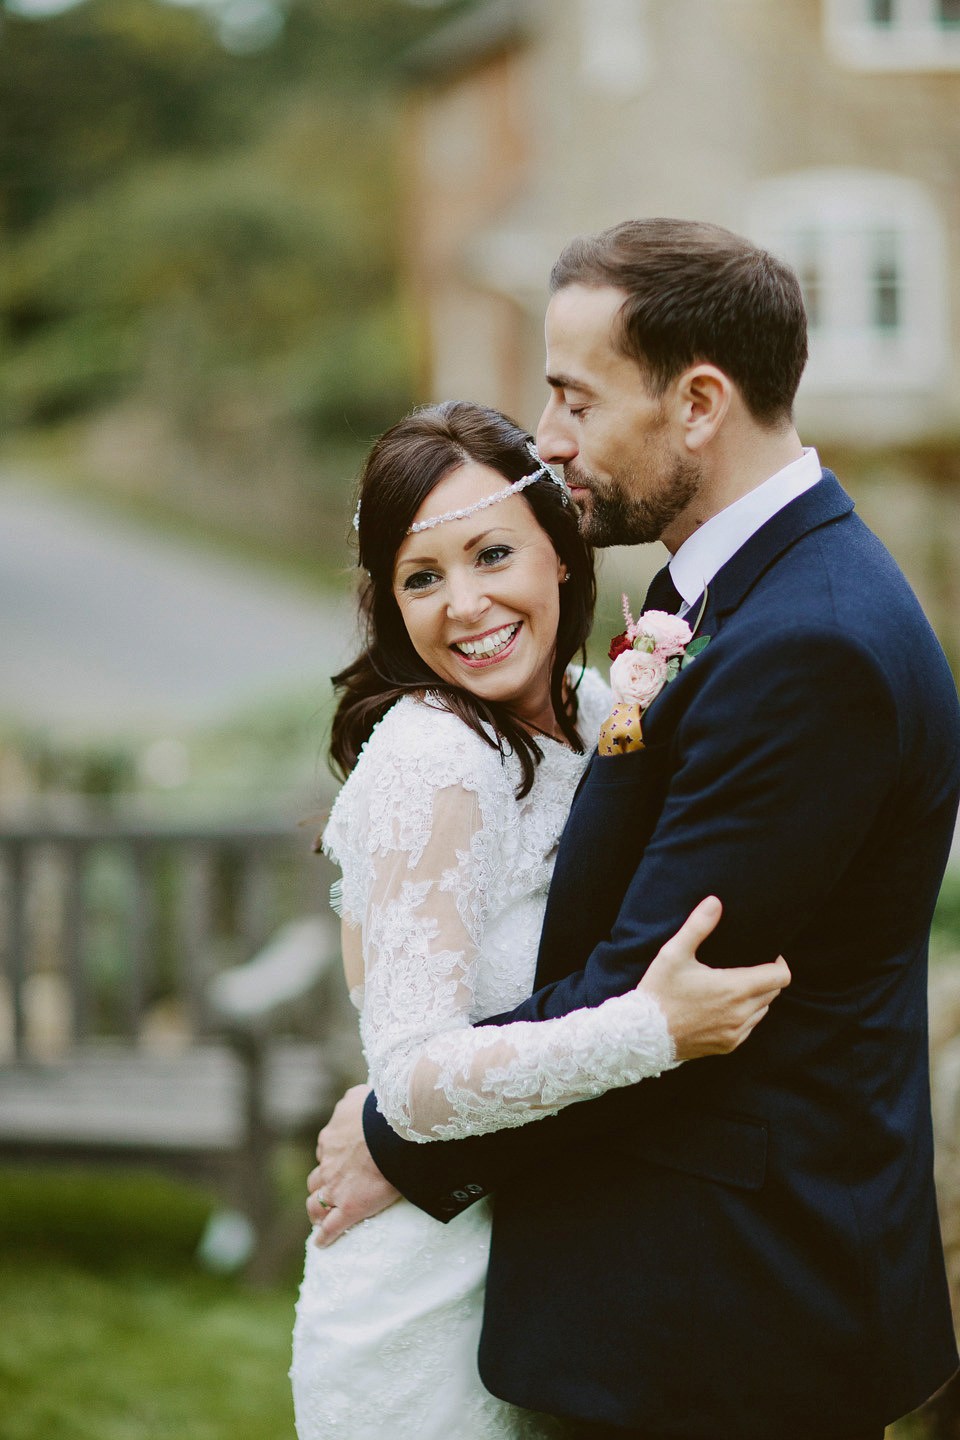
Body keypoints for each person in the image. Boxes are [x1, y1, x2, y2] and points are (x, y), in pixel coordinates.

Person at [310, 221, 960, 1440]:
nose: (548, 441)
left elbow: (656, 984)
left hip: (729, 1308)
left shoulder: (807, 643)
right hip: (675, 1297)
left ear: (699, 402)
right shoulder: (728, 593)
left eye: (573, 398)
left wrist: (402, 1141)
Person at [290, 400, 789, 1440]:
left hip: (549, 1269)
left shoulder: (597, 702)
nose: (464, 605)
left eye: (490, 554)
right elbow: (416, 1086)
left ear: (561, 552)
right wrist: (653, 1031)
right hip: (428, 1301)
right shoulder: (435, 755)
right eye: (421, 578)